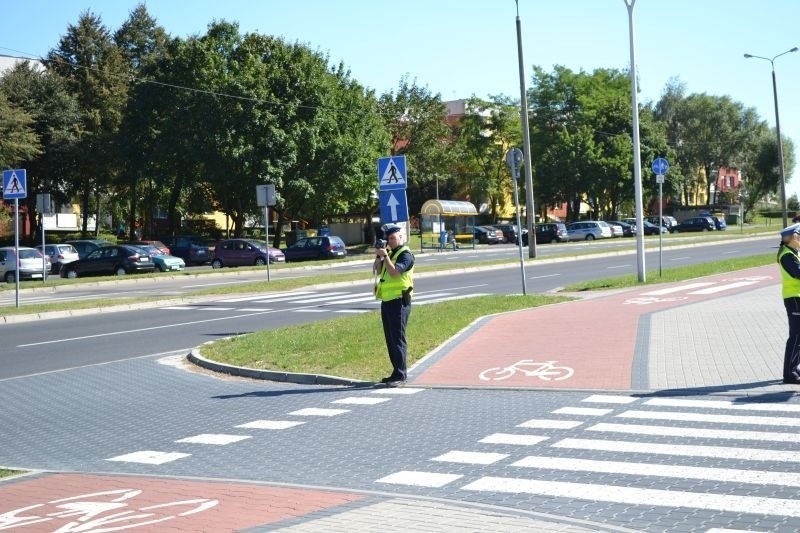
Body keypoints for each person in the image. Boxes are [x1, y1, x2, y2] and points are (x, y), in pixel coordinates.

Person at [373, 223, 414, 387]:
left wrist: (386, 257)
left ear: (401, 237)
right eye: (388, 238)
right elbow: (375, 270)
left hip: (400, 302)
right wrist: (379, 256)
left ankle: (401, 375)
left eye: (392, 238)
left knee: (398, 339)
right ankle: (396, 372)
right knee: (390, 339)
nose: (389, 241)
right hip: (387, 301)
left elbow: (395, 272)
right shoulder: (389, 252)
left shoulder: (406, 255)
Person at [777, 222, 800, 383]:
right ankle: (789, 374)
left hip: (797, 297)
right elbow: (798, 273)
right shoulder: (786, 255)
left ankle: (794, 367)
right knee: (796, 335)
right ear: (791, 238)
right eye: (798, 235)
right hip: (794, 298)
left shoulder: (793, 252)